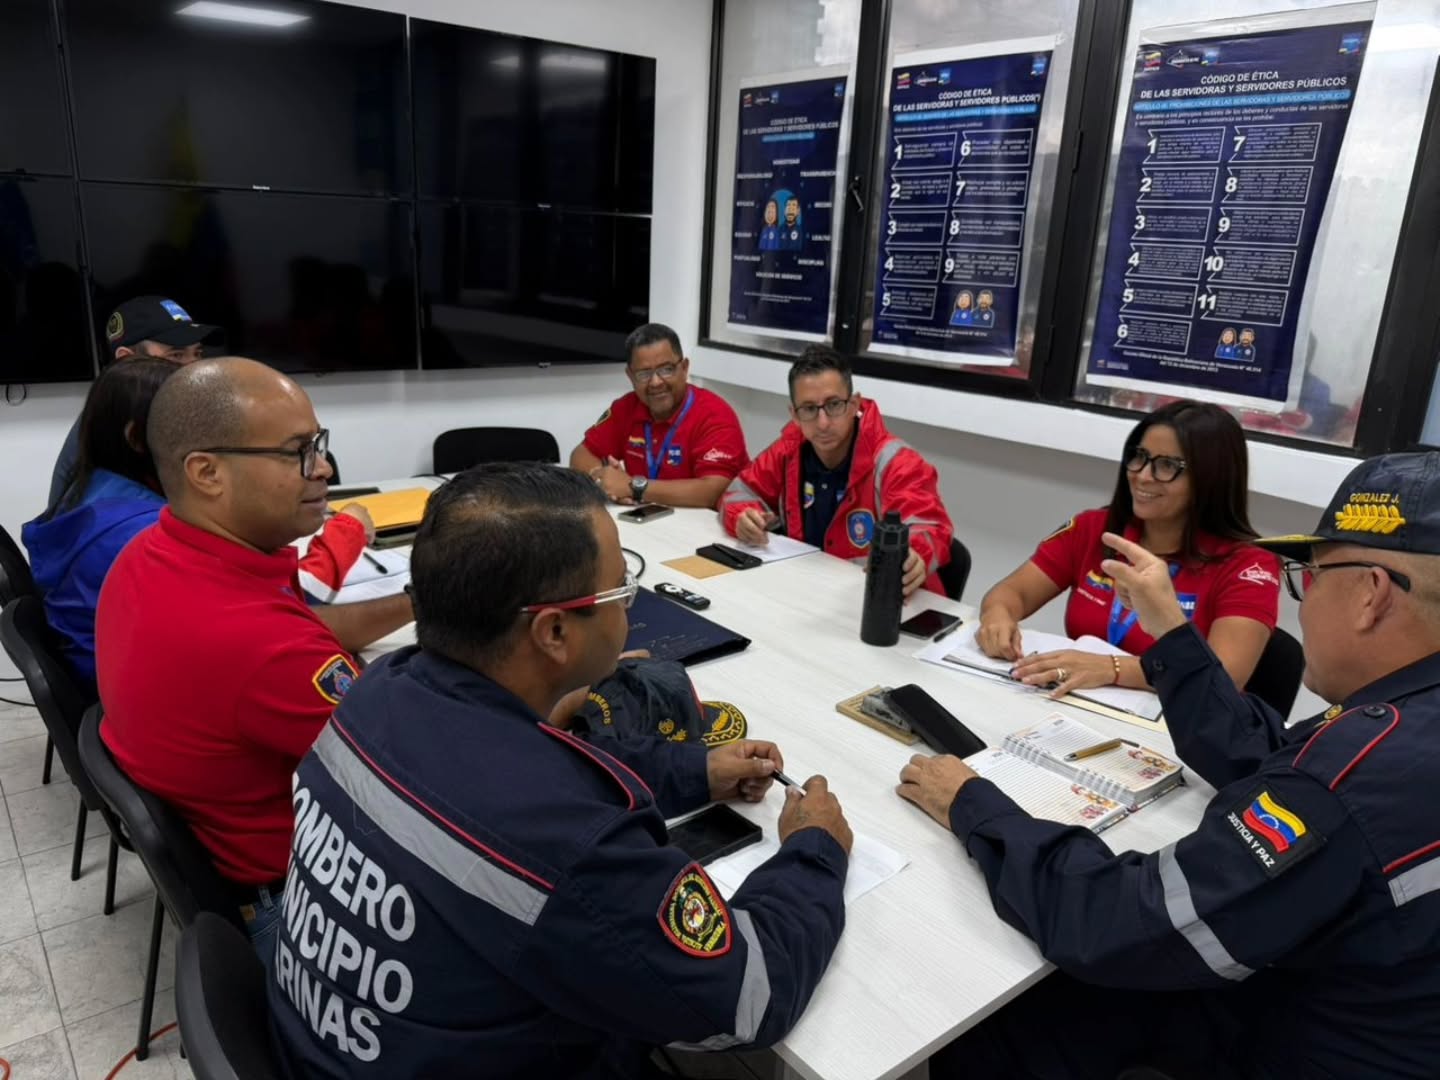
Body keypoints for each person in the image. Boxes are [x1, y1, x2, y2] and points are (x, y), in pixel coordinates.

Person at [267, 463, 853, 1078]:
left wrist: (694, 770)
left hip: (328, 1049)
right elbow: (749, 998)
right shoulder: (565, 847)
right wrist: (814, 850)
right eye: (620, 591)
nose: (629, 606)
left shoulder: (377, 689)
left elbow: (538, 765)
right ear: (552, 632)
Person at [898, 450, 1440, 1079]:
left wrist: (974, 802)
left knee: (1003, 1014)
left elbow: (1118, 922)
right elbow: (1271, 755)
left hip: (1292, 1041)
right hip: (1368, 1005)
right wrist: (1174, 636)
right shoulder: (1400, 720)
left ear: (1370, 595)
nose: (1304, 599)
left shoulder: (1353, 781)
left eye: (1310, 577)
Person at [95, 357, 413, 964]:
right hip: (299, 899)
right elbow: (417, 769)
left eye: (318, 445)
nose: (323, 468)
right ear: (207, 472)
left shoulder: (151, 551)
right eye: (298, 451)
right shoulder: (257, 645)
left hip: (221, 855)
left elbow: (297, 634)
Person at [23, 359, 373, 691]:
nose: (322, 468)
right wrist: (348, 537)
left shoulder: (97, 495)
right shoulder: (138, 538)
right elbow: (297, 618)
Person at [977, 400, 1279, 696]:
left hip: (1171, 728)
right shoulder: (1095, 528)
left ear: (1211, 478)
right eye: (1140, 456)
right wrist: (997, 617)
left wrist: (1114, 669)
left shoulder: (1250, 565)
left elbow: (1223, 677)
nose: (1143, 475)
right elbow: (1012, 593)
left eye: (1167, 466)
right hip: (1076, 702)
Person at [720, 345, 953, 597]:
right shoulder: (788, 451)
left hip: (888, 602)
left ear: (853, 405)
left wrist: (916, 553)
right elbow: (738, 493)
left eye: (833, 405)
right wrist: (742, 517)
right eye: (809, 409)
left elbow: (928, 526)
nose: (823, 423)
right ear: (794, 415)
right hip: (813, 592)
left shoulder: (895, 462)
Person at [47, 295, 223, 508]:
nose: (194, 367)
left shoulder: (175, 410)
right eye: (176, 355)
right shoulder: (111, 423)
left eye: (197, 353)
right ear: (126, 359)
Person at [569, 323, 749, 509]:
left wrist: (634, 487)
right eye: (644, 374)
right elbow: (582, 453)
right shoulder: (626, 407)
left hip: (707, 528)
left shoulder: (714, 414)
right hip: (650, 521)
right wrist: (603, 481)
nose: (656, 382)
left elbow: (713, 491)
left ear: (685, 368)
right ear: (630, 376)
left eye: (666, 369)